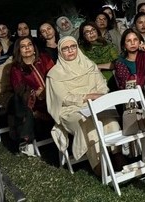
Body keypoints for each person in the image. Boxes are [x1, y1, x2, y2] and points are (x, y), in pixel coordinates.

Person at [46, 35, 119, 172]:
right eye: (66, 48)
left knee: (110, 121)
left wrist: (99, 95)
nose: (70, 51)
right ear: (60, 52)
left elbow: (102, 85)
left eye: (73, 47)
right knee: (88, 124)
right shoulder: (54, 74)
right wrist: (88, 96)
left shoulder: (89, 65)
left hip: (96, 105)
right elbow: (64, 98)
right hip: (71, 110)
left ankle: (117, 155)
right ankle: (99, 165)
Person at [7, 36, 54, 156]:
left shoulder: (44, 59)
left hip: (52, 94)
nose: (27, 48)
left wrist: (47, 89)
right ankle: (26, 141)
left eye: (29, 45)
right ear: (18, 50)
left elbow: (55, 75)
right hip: (33, 102)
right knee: (17, 100)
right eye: (23, 46)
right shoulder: (16, 68)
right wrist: (36, 93)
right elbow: (19, 88)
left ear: (34, 47)